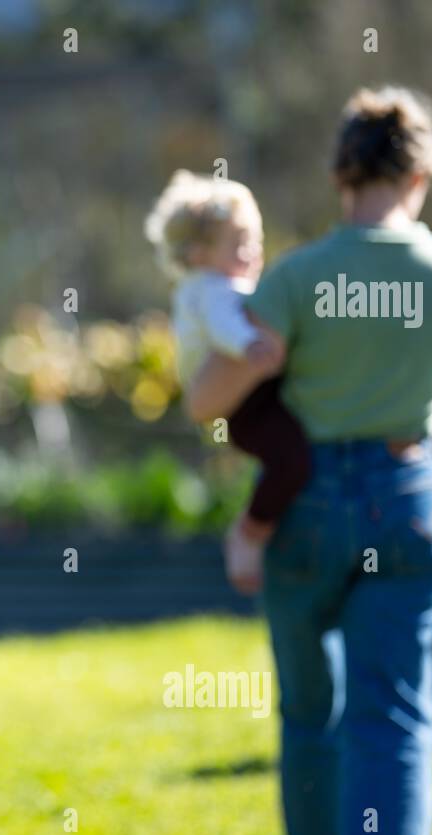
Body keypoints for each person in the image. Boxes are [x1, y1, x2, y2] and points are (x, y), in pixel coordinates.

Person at [183, 86, 432, 835]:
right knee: (392, 711)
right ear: (420, 177)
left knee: (311, 711)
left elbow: (209, 399)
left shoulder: (295, 277)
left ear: (340, 176)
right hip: (406, 492)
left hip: (306, 502)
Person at [145, 171, 310, 594]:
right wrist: (251, 344)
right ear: (198, 254)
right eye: (238, 243)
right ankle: (250, 533)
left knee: (289, 458)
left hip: (249, 397)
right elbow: (224, 324)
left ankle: (266, 523)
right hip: (241, 406)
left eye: (254, 239)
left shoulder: (223, 281)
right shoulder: (208, 288)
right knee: (292, 460)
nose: (252, 251)